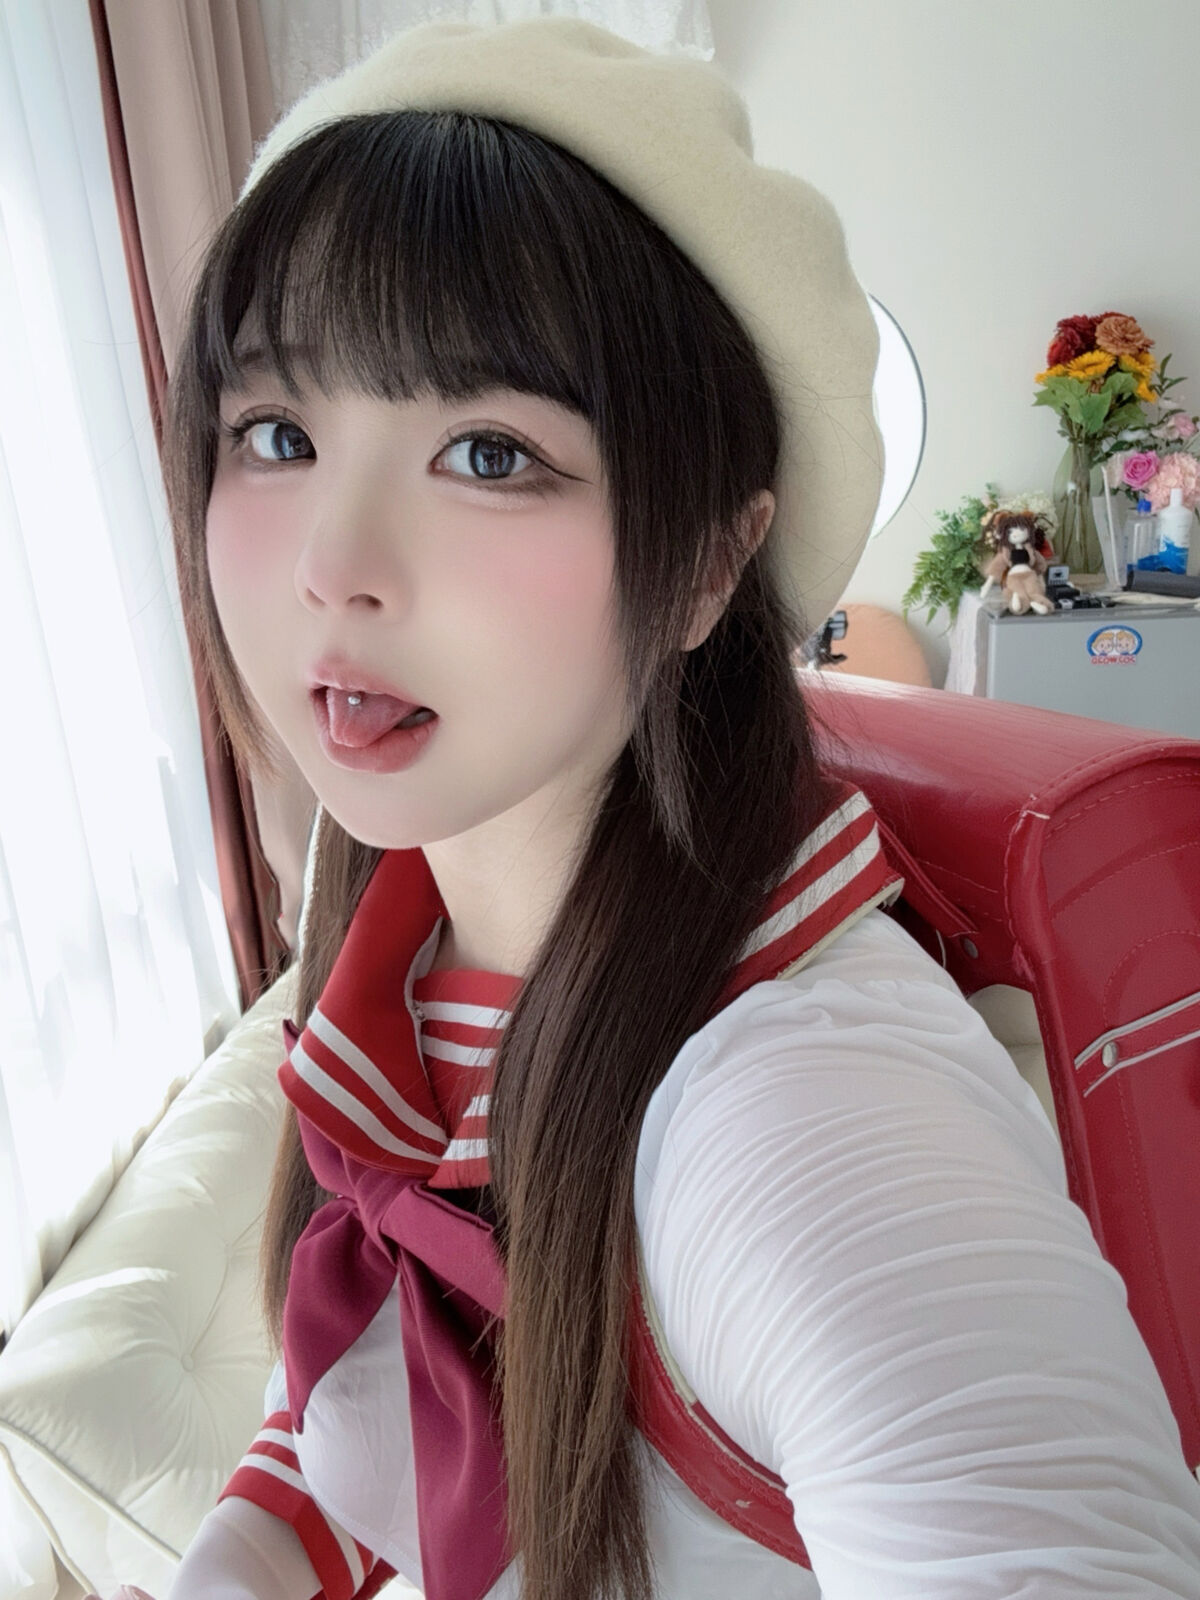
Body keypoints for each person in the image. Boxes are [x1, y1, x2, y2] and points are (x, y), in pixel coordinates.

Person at [91, 16, 1200, 1600]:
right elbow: (392, 1382)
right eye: (278, 435)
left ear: (706, 565)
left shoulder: (802, 1118)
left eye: (489, 454)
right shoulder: (397, 920)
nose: (336, 563)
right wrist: (244, 1561)